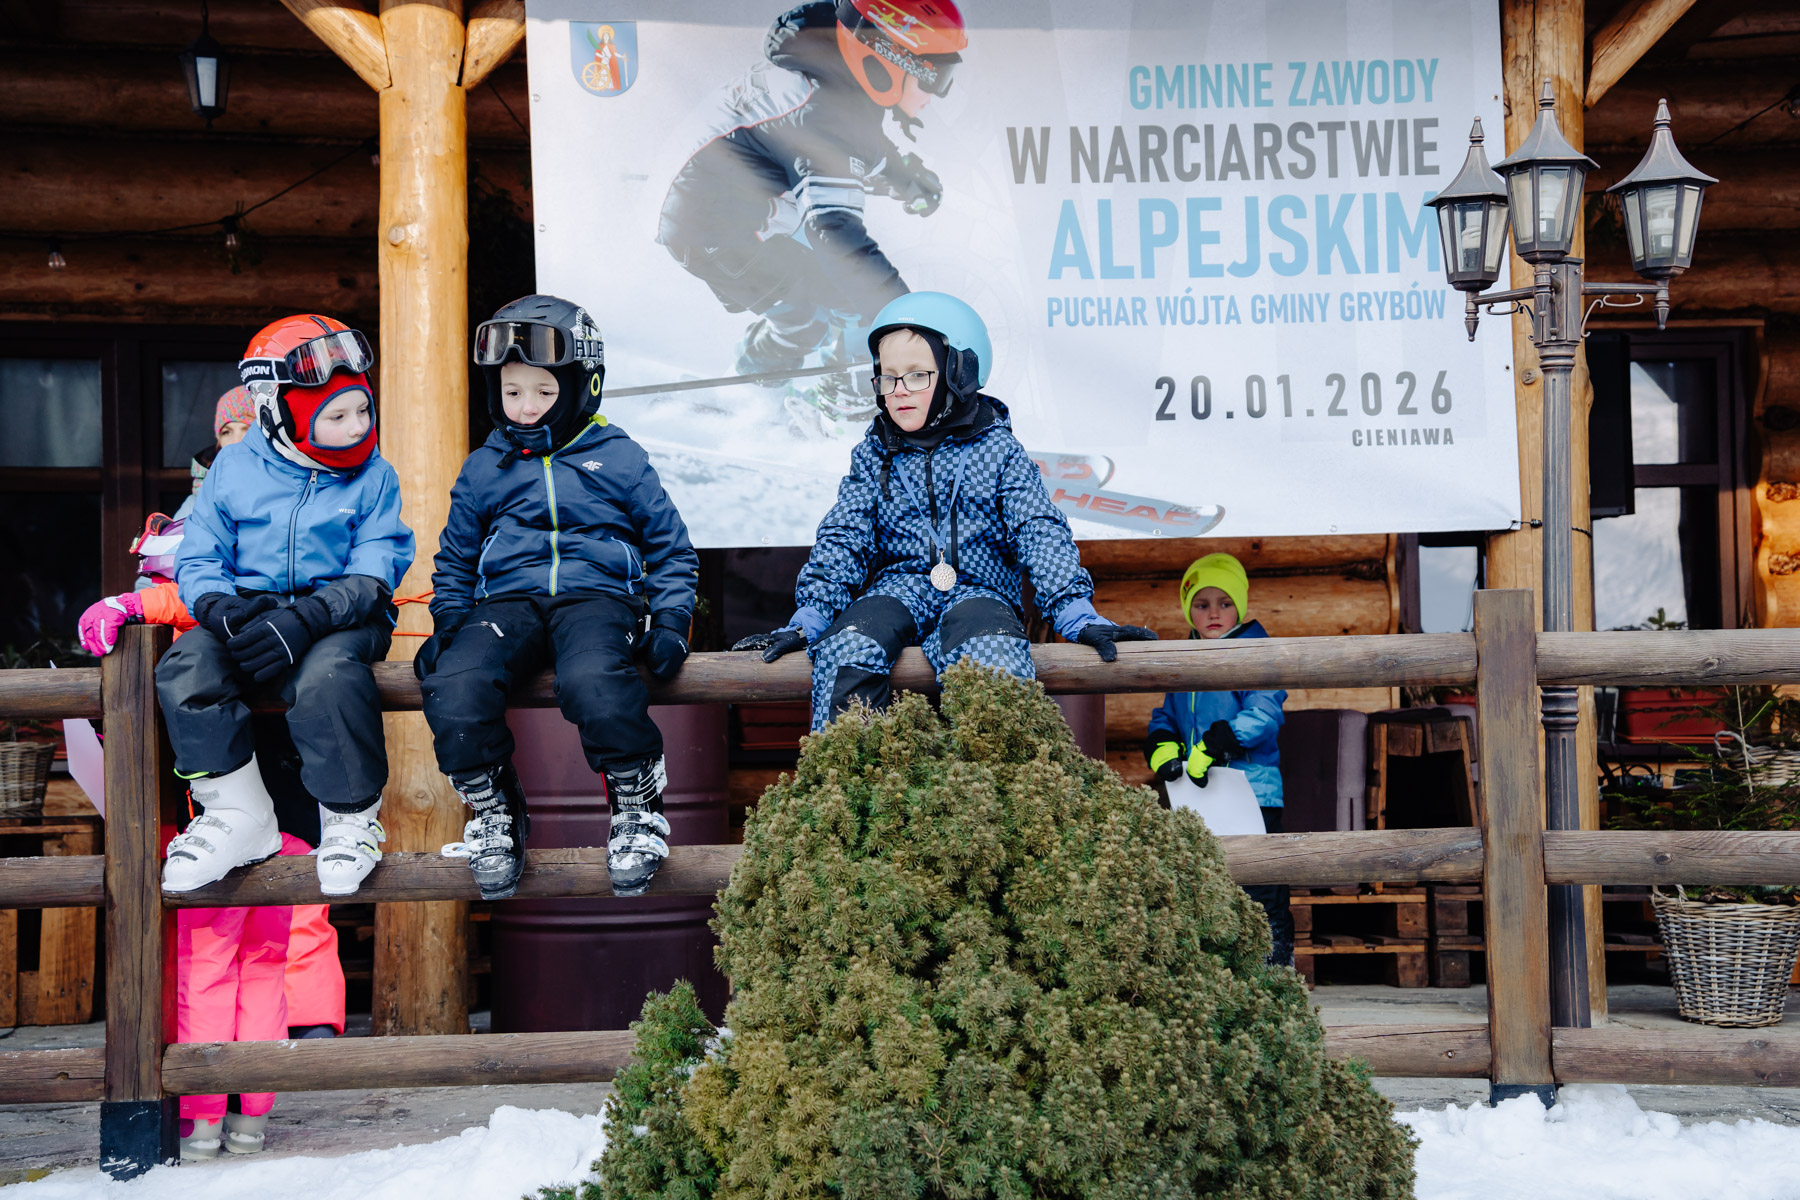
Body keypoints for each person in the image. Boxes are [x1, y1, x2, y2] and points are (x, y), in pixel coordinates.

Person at [731, 291, 1155, 730]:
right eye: (888, 378)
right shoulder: (875, 453)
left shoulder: (998, 451)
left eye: (917, 375)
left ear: (959, 373)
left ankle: (989, 771)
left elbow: (1037, 528)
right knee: (847, 647)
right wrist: (811, 618)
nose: (899, 390)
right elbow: (846, 534)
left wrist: (1075, 613)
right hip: (899, 589)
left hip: (979, 590)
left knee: (992, 653)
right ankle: (853, 768)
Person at [416, 296, 699, 900]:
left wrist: (673, 618)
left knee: (594, 680)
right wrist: (449, 621)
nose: (525, 407)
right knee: (455, 687)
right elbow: (457, 556)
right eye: (512, 391)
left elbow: (670, 547)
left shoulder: (619, 456)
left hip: (599, 599)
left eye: (543, 391)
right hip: (506, 606)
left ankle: (636, 804)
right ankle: (494, 808)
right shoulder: (485, 466)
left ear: (580, 387)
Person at [155, 315, 415, 899]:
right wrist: (217, 606)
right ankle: (236, 811)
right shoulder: (232, 468)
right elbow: (200, 552)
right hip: (250, 609)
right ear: (280, 413)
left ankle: (350, 820)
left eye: (363, 410)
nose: (357, 427)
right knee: (186, 667)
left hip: (343, 614)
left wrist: (309, 617)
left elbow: (376, 568)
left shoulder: (374, 476)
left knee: (326, 677)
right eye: (336, 417)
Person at [657, 0, 965, 434]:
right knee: (830, 305)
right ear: (889, 58)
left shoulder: (828, 69)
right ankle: (834, 414)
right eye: (935, 77)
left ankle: (752, 394)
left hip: (719, 209)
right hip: (708, 226)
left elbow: (855, 141)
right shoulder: (822, 110)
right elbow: (834, 232)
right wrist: (907, 323)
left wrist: (905, 178)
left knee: (820, 306)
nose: (937, 93)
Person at [1144, 552, 1294, 966]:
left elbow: (1265, 711)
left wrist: (1217, 743)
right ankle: (1222, 975)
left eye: (1225, 603)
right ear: (1187, 610)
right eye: (1201, 604)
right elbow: (1167, 713)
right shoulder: (1186, 656)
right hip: (1201, 796)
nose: (1213, 613)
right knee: (1206, 883)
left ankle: (1276, 971)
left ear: (1240, 607)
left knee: (1260, 886)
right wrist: (1163, 744)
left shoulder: (1255, 649)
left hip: (1252, 792)